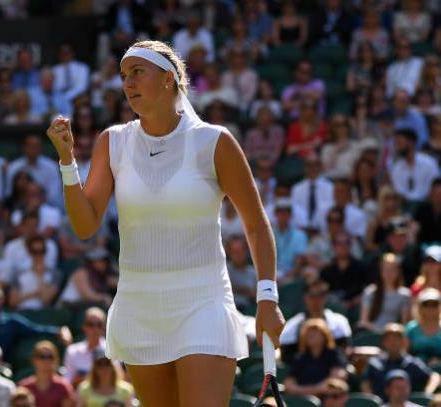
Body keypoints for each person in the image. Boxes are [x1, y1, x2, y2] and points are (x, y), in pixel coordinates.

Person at [46, 39, 284, 407]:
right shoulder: (113, 142)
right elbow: (84, 226)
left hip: (203, 302)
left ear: (169, 79)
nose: (128, 83)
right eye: (124, 76)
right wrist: (67, 161)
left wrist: (267, 296)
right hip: (139, 307)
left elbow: (255, 223)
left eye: (138, 72)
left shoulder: (215, 142)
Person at [0, 285, 72, 362]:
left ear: (2, 300)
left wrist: (58, 331)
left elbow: (35, 329)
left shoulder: (11, 322)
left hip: (1, 368)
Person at [280, 279, 352, 365]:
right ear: (305, 297)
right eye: (312, 295)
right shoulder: (292, 325)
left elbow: (344, 351)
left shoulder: (339, 321)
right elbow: (287, 357)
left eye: (321, 295)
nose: (317, 300)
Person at [361, 323, 440, 400]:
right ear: (383, 342)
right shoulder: (375, 363)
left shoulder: (412, 363)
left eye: (396, 339)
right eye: (389, 339)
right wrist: (372, 400)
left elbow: (434, 376)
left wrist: (427, 393)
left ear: (403, 341)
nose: (393, 343)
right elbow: (365, 382)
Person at [283, 318, 348, 398]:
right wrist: (308, 391)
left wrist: (316, 390)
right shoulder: (300, 357)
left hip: (327, 398)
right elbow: (289, 383)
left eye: (315, 331)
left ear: (325, 335)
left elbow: (337, 377)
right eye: (308, 332)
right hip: (303, 398)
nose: (311, 335)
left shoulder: (334, 353)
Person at [358, 253, 411, 333]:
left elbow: (405, 324)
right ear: (381, 271)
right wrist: (380, 331)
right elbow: (364, 322)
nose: (389, 273)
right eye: (386, 269)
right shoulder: (370, 292)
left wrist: (390, 332)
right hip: (372, 334)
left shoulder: (404, 294)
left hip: (393, 336)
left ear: (398, 272)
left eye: (392, 269)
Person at [18, 340, 75, 407]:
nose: (46, 361)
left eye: (50, 357)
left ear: (56, 360)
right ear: (33, 360)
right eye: (42, 356)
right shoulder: (24, 387)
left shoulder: (63, 387)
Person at [64, 307, 108, 389]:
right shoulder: (72, 351)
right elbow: (68, 381)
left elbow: (118, 380)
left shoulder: (111, 351)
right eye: (90, 324)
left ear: (104, 327)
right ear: (84, 326)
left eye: (99, 324)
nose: (95, 329)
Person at [405, 288, 441, 363]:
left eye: (434, 305)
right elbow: (404, 354)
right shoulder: (411, 328)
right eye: (426, 305)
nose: (430, 308)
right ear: (419, 307)